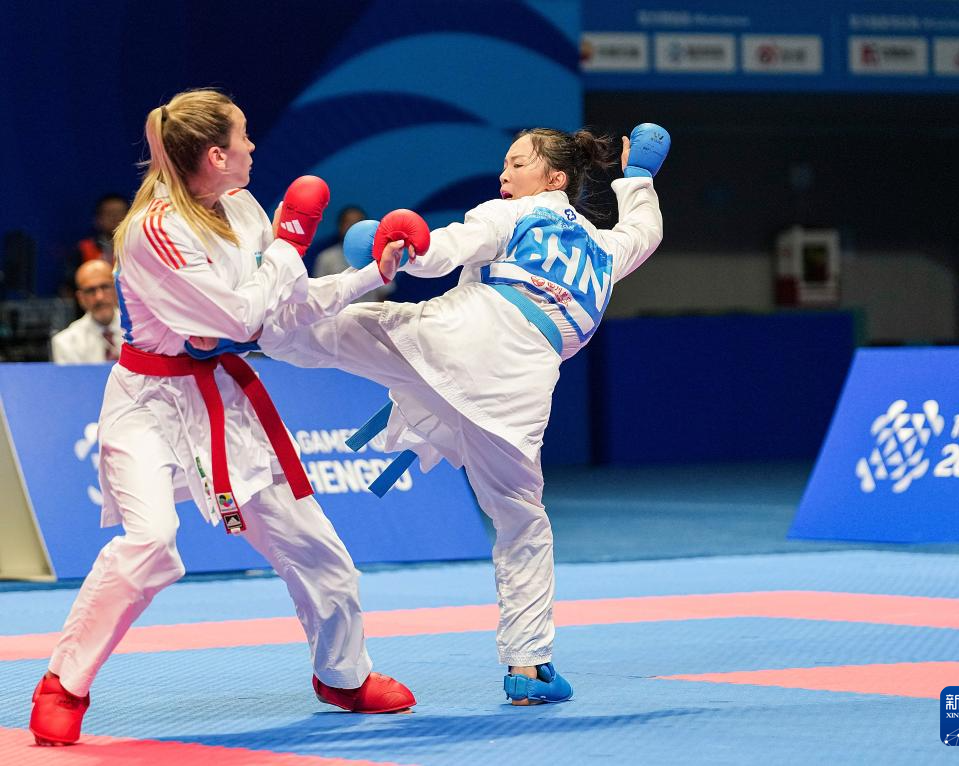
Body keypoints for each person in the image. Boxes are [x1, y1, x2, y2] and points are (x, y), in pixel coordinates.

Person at [28, 88, 414, 747]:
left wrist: (367, 275)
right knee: (151, 542)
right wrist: (290, 243)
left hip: (224, 403)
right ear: (215, 154)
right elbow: (236, 317)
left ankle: (344, 676)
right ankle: (62, 684)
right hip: (149, 404)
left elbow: (281, 311)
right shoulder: (155, 232)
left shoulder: (241, 208)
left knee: (317, 549)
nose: (253, 146)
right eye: (244, 136)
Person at [258, 124, 668, 705]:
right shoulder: (606, 250)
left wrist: (403, 246)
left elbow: (447, 249)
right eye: (505, 163)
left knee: (317, 331)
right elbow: (645, 232)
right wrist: (639, 177)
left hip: (454, 342)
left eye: (518, 163)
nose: (505, 173)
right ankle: (529, 668)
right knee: (522, 522)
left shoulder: (514, 214)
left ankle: (238, 315)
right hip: (517, 399)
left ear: (555, 179)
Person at [314, 205, 394, 303]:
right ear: (340, 226)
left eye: (358, 223)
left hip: (369, 311)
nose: (353, 227)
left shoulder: (378, 257)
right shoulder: (326, 257)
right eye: (349, 223)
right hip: (338, 312)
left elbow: (384, 295)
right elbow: (319, 295)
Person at [51, 261, 124, 364]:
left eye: (105, 287)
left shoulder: (140, 332)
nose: (99, 297)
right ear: (80, 298)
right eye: (90, 290)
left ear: (117, 289)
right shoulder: (66, 342)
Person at [78, 194, 130, 265]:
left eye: (121, 213)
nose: (116, 218)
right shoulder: (83, 249)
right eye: (109, 214)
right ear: (98, 219)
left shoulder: (140, 247)